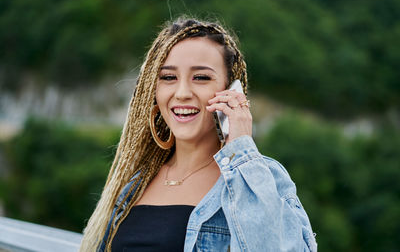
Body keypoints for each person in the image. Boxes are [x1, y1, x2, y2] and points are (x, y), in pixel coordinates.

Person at [79, 17, 317, 252]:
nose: (182, 93)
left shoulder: (259, 179)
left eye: (201, 77)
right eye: (168, 77)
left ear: (230, 91)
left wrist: (242, 150)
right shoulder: (136, 184)